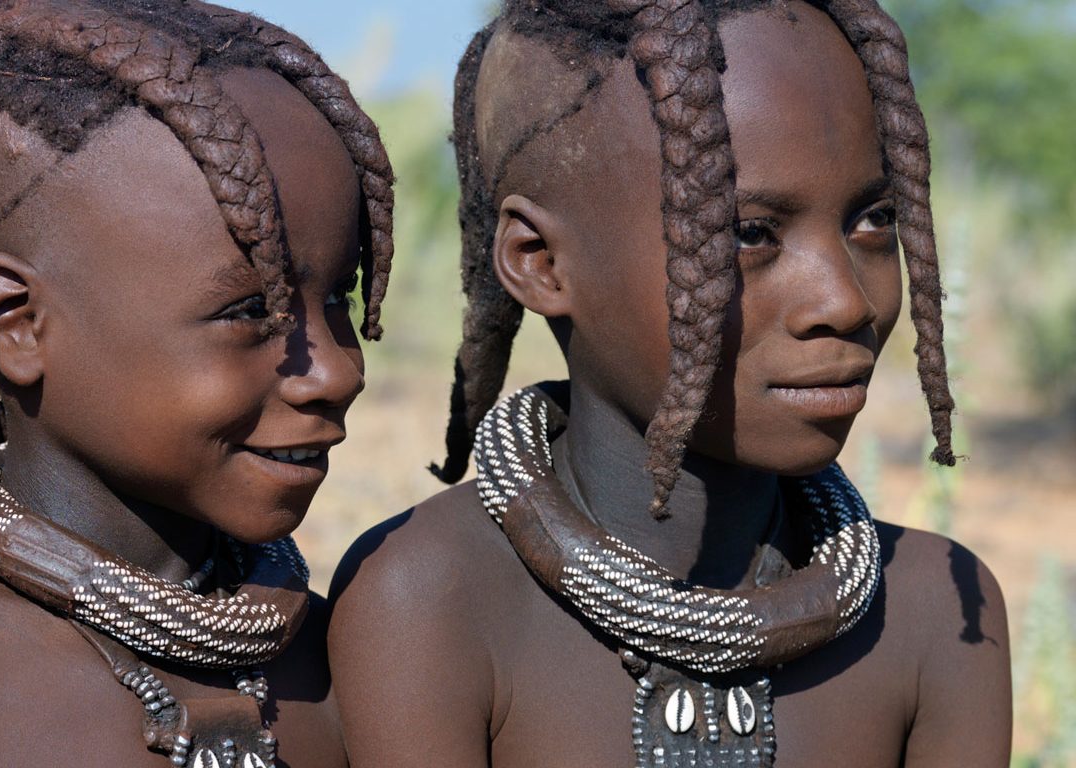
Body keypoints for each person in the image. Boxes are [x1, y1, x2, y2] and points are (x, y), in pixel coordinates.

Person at [328, 2, 1010, 766]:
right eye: (748, 233)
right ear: (540, 262)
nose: (844, 301)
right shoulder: (433, 599)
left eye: (873, 220)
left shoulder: (937, 615)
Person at [0, 1, 394, 765]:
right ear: (16, 322)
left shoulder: (352, 662)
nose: (337, 371)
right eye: (252, 310)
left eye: (340, 302)